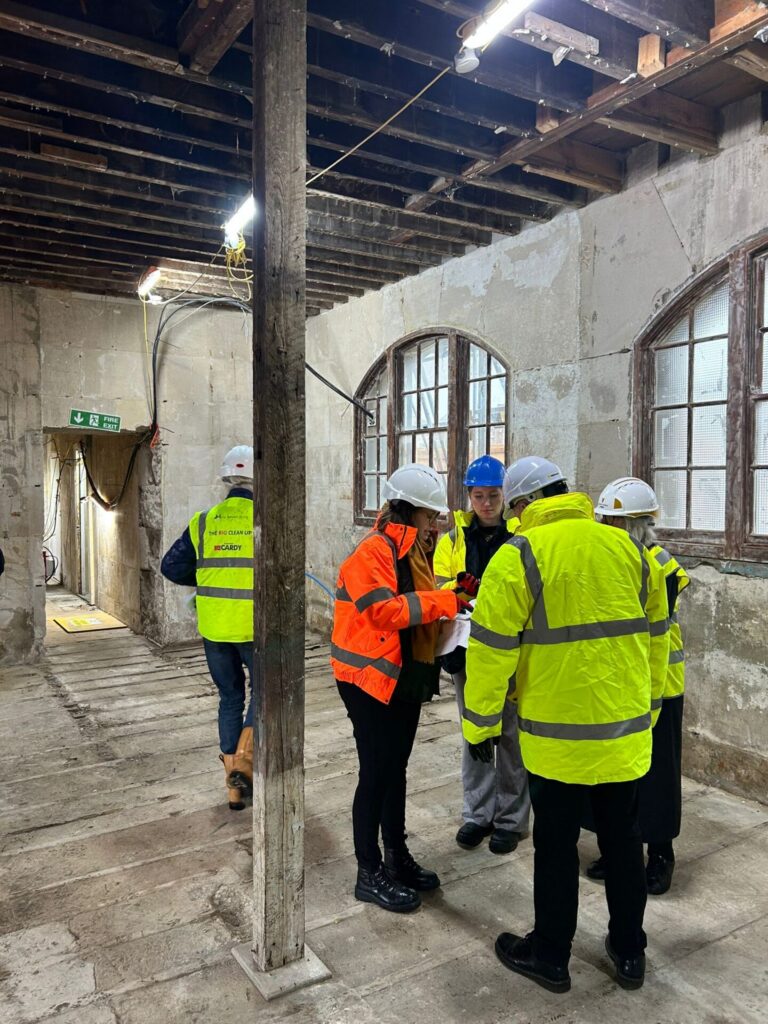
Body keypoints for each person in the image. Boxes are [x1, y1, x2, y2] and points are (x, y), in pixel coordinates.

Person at [462, 456, 670, 993]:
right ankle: (629, 953)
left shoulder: (520, 555)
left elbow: (489, 652)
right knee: (623, 843)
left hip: (555, 740)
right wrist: (649, 711)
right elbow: (657, 638)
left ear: (524, 505)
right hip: (625, 731)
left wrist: (479, 728)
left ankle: (551, 955)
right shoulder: (628, 548)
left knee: (555, 845)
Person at [331, 463, 467, 914]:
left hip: (403, 676)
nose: (434, 525)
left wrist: (452, 600)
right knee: (376, 774)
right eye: (430, 517)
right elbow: (384, 612)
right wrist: (445, 601)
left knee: (396, 769)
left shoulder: (413, 551)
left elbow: (416, 605)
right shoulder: (373, 551)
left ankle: (396, 857)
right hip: (368, 681)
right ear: (408, 511)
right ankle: (368, 873)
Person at [587, 477, 689, 896]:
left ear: (634, 525)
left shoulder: (658, 563)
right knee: (616, 773)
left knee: (657, 774)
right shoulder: (610, 560)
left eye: (612, 521)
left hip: (658, 683)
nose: (606, 529)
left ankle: (660, 854)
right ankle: (617, 848)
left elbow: (654, 632)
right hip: (617, 683)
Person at [434, 454, 530, 855]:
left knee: (510, 734)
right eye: (479, 495)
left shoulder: (522, 537)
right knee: (475, 733)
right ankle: (477, 814)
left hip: (511, 651)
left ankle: (510, 819)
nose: (486, 503)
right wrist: (447, 643)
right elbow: (440, 592)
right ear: (468, 497)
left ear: (505, 495)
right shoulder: (453, 540)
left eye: (493, 495)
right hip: (467, 650)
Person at [161, 445, 255, 812]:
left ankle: (233, 788)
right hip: (253, 627)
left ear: (226, 479)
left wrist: (202, 576)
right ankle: (244, 765)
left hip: (214, 626)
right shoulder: (264, 521)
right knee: (265, 694)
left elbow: (171, 567)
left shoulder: (204, 522)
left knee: (231, 698)